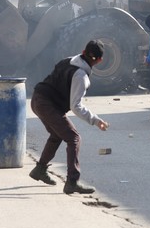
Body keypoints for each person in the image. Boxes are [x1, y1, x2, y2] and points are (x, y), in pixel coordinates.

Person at [29, 40, 110, 195]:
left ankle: (39, 170)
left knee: (57, 134)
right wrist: (95, 120)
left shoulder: (67, 60)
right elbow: (76, 106)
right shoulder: (80, 76)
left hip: (37, 99)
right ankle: (72, 181)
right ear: (99, 60)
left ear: (83, 51)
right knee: (74, 138)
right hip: (47, 105)